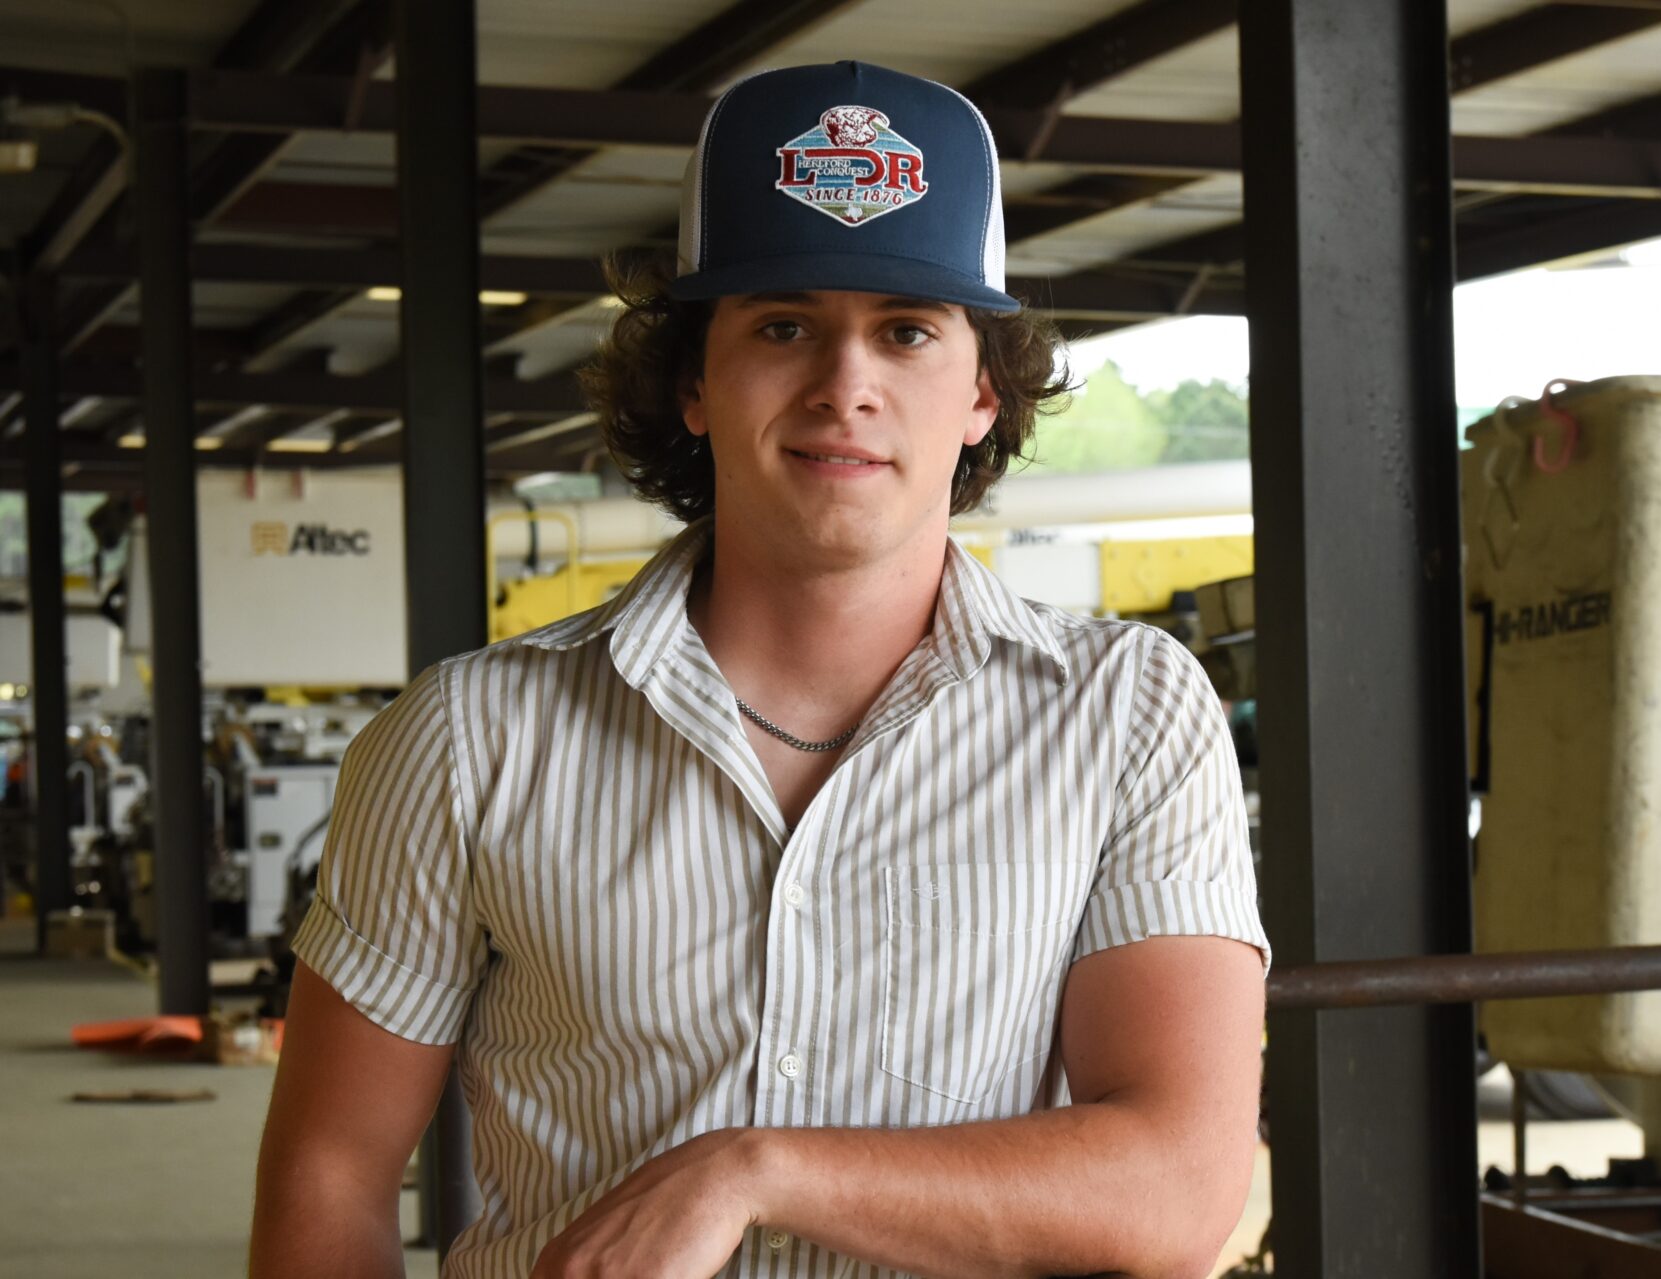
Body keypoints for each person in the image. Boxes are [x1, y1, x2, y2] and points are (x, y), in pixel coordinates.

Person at [250, 60, 1269, 1279]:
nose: (846, 387)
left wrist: (754, 1169)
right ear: (693, 381)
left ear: (983, 394)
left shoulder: (1127, 712)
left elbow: (1176, 1185)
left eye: (907, 331)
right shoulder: (469, 738)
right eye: (784, 327)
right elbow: (330, 1175)